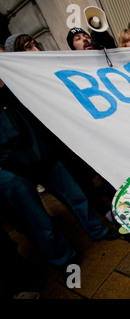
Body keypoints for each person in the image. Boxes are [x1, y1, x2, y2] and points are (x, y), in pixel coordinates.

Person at [1, 37, 119, 268]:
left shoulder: (19, 83)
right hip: (13, 170)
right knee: (39, 220)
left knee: (76, 197)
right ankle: (64, 259)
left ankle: (97, 231)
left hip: (44, 156)